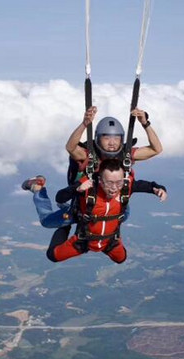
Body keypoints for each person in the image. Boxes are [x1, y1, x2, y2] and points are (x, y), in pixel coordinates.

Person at [21, 106, 163, 228]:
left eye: (116, 138)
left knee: (123, 215)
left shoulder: (126, 155)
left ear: (122, 139)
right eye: (106, 138)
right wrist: (84, 124)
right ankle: (37, 188)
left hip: (110, 205)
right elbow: (71, 147)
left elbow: (156, 149)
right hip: (83, 207)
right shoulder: (88, 155)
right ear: (98, 138)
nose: (112, 142)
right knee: (47, 221)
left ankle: (66, 208)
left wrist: (145, 123)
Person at [46, 159, 167, 264]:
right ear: (100, 180)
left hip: (110, 241)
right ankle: (64, 228)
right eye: (109, 183)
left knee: (121, 259)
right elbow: (59, 197)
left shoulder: (126, 185)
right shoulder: (88, 186)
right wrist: (76, 189)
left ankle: (104, 244)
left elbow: (148, 185)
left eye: (118, 182)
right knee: (53, 255)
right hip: (83, 240)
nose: (114, 188)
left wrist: (159, 189)